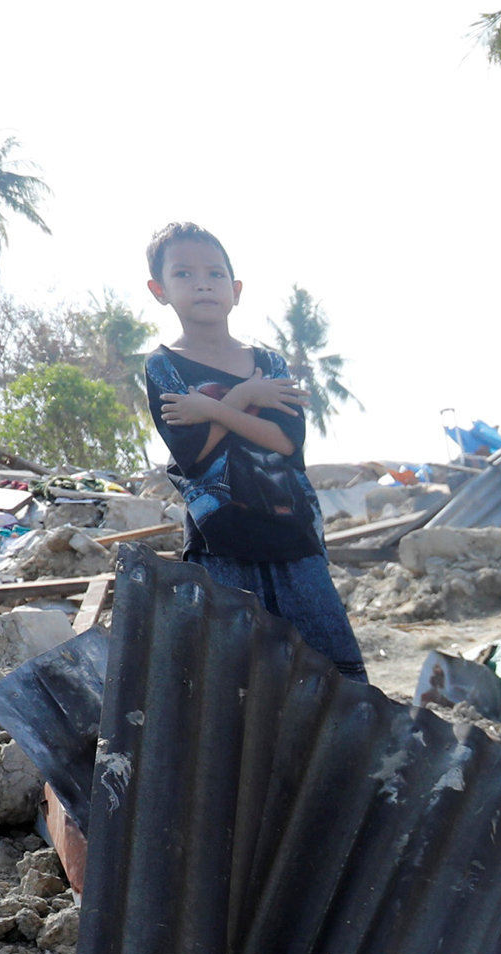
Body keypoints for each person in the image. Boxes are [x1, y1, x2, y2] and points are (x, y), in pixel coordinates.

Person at [134, 223, 364, 683]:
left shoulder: (270, 363)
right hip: (220, 540)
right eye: (184, 274)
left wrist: (213, 407)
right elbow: (193, 455)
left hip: (291, 533)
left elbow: (285, 442)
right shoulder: (163, 366)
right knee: (237, 680)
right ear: (159, 290)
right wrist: (244, 399)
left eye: (216, 274)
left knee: (329, 674)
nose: (203, 283)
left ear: (235, 290)